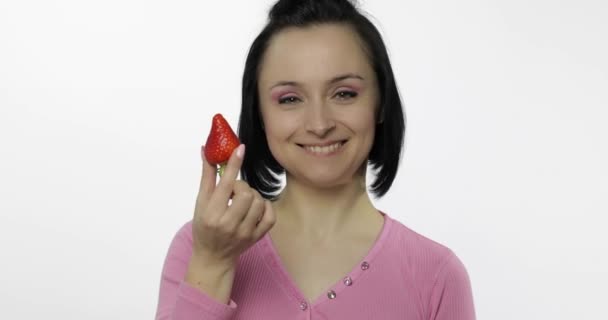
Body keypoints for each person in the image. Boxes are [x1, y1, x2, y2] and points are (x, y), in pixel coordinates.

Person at [155, 0, 476, 319]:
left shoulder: (437, 276)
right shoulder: (198, 247)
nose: (320, 124)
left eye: (344, 93)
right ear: (261, 115)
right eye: (290, 99)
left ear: (380, 102)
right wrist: (212, 265)